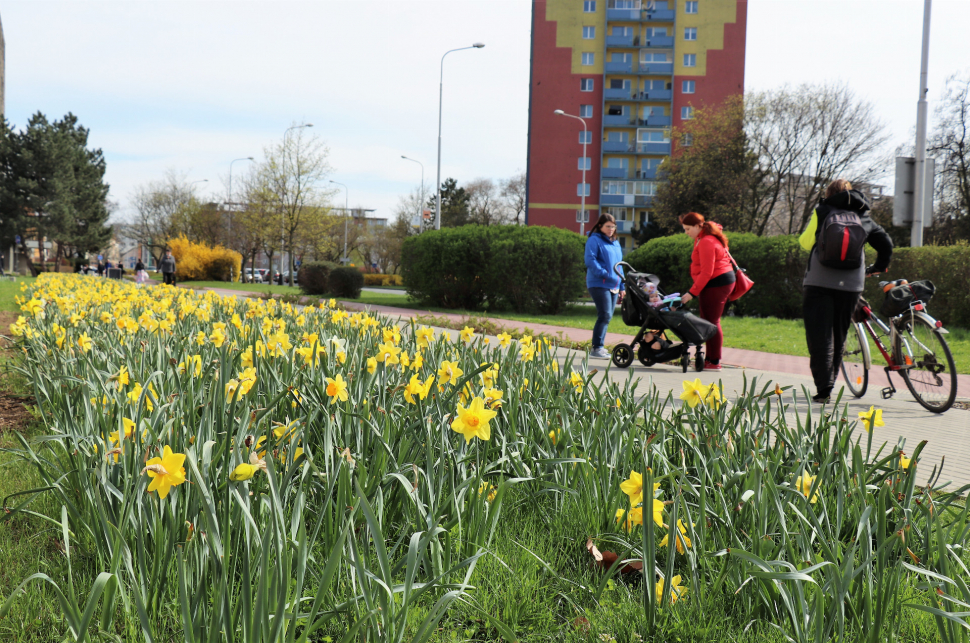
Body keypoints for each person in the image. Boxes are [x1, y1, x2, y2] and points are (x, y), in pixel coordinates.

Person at [799, 179, 893, 403]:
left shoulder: (822, 210)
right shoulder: (863, 215)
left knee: (819, 336)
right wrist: (878, 267)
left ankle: (824, 389)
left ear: (829, 194)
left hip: (819, 282)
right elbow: (886, 244)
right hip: (851, 286)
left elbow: (804, 242)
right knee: (839, 334)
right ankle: (830, 380)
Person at [679, 212, 735, 371]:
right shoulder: (702, 238)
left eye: (688, 228)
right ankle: (710, 359)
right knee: (708, 321)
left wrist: (691, 293)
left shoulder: (707, 241)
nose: (686, 232)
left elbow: (707, 272)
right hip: (714, 282)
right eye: (684, 229)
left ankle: (715, 361)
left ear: (698, 226)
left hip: (717, 283)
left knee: (712, 322)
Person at [584, 213, 625, 359]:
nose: (611, 229)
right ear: (600, 226)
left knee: (607, 316)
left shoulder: (615, 242)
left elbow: (620, 265)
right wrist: (605, 274)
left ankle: (599, 347)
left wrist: (622, 287)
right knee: (605, 314)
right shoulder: (594, 240)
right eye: (608, 226)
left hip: (614, 284)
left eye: (613, 227)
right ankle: (597, 348)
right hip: (599, 283)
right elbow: (590, 260)